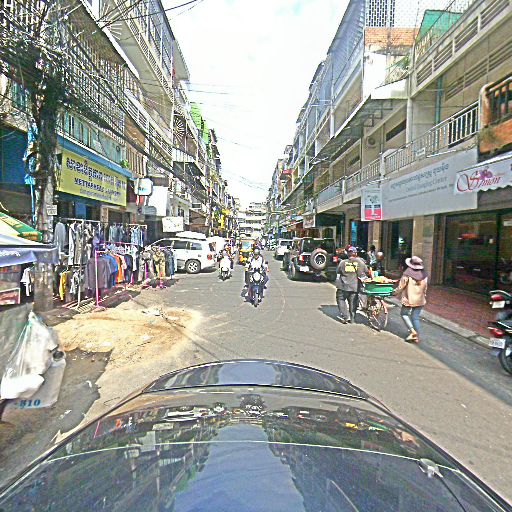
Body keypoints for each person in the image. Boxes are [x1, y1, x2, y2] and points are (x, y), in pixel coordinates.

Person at [393, 256, 428, 343]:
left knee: (404, 314)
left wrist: (394, 293)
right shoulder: (424, 275)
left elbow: (401, 287)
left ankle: (413, 331)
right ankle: (416, 336)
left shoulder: (407, 274)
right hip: (420, 299)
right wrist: (424, 295)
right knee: (415, 317)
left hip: (409, 299)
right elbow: (425, 288)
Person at [335, 246, 368, 323]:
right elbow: (366, 271)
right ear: (355, 253)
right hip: (354, 286)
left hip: (343, 286)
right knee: (353, 302)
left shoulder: (342, 262)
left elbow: (338, 271)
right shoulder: (361, 262)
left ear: (348, 254)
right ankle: (352, 318)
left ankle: (346, 316)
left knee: (341, 299)